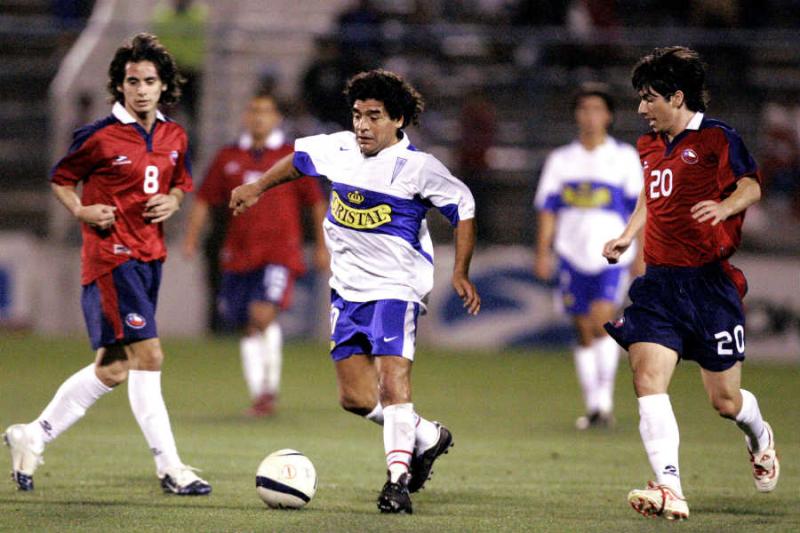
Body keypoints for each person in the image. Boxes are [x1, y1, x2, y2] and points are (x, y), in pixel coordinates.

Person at [230, 69, 481, 514]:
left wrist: (460, 271)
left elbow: (463, 208)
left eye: (374, 116)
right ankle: (427, 436)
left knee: (391, 380)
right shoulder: (339, 147)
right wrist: (256, 187)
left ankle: (397, 482)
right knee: (356, 398)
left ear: (398, 120)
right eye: (357, 114)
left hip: (396, 286)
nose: (362, 125)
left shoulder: (418, 168)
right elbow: (297, 160)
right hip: (347, 289)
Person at [3, 33, 211, 496]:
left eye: (148, 81)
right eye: (131, 81)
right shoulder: (98, 136)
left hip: (150, 256)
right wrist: (80, 210)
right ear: (119, 86)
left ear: (163, 86)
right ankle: (171, 468)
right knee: (149, 355)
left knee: (114, 368)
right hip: (112, 257)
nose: (139, 89)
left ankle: (34, 433)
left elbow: (181, 183)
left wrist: (174, 201)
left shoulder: (175, 135)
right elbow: (61, 179)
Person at [603, 46, 779, 521]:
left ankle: (759, 435)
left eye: (648, 98)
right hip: (658, 284)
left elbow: (752, 186)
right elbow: (650, 193)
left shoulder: (719, 139)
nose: (641, 109)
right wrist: (627, 235)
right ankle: (670, 488)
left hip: (709, 286)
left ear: (677, 97)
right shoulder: (648, 146)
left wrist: (724, 208)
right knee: (647, 378)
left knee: (725, 402)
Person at [182, 92, 328, 416]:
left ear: (277, 118)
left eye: (265, 111)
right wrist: (191, 238)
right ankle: (259, 394)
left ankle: (268, 393)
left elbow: (316, 202)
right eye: (253, 111)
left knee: (263, 315)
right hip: (239, 253)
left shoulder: (291, 156)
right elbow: (205, 198)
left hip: (279, 251)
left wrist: (321, 245)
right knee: (247, 325)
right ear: (245, 117)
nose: (258, 117)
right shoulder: (229, 156)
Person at [534, 82, 643, 430]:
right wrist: (543, 251)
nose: (591, 116)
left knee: (601, 322)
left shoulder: (623, 158)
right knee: (583, 329)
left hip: (612, 254)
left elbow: (641, 208)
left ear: (608, 115)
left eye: (597, 109)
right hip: (571, 252)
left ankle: (603, 403)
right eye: (584, 109)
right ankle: (594, 405)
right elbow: (548, 209)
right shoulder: (561, 160)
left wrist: (641, 251)